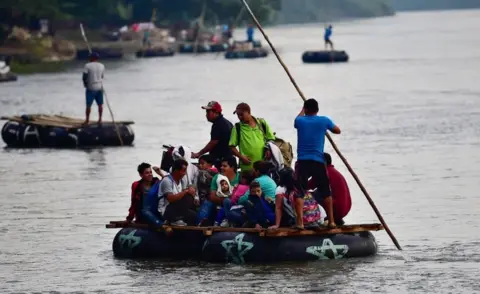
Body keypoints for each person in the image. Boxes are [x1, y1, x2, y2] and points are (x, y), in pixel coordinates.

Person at [294, 98, 341, 228]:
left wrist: (303, 110)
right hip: (318, 161)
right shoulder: (324, 121)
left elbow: (296, 120)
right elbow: (338, 130)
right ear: (317, 110)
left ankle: (300, 222)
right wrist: (324, 127)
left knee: (300, 191)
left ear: (306, 109)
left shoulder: (300, 121)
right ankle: (331, 221)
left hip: (303, 161)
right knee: (326, 190)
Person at [229, 103, 276, 171]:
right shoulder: (237, 128)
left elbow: (271, 138)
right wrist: (242, 157)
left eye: (241, 114)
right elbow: (231, 147)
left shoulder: (261, 123)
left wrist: (268, 149)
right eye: (238, 115)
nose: (239, 117)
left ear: (249, 112)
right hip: (247, 168)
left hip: (263, 166)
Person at [309, 153, 351, 225]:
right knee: (319, 191)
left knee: (307, 196)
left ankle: (319, 218)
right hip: (345, 209)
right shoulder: (333, 171)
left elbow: (307, 185)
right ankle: (335, 219)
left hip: (337, 209)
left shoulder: (324, 172)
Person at [198, 156, 240, 226]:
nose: (221, 168)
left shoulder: (240, 178)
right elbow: (212, 197)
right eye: (221, 166)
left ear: (232, 167)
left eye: (224, 166)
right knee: (207, 204)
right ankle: (199, 226)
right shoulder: (217, 177)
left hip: (235, 205)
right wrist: (226, 199)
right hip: (219, 203)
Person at [192, 101, 233, 170]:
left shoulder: (218, 124)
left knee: (202, 161)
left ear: (216, 112)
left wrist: (199, 153)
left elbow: (213, 142)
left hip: (220, 159)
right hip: (228, 157)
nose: (206, 115)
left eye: (208, 112)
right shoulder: (227, 123)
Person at [158, 159, 197, 226]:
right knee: (188, 196)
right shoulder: (167, 181)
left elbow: (188, 190)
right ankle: (174, 220)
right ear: (176, 171)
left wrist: (192, 191)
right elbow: (170, 199)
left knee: (193, 215)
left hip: (177, 209)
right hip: (166, 210)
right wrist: (186, 191)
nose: (185, 174)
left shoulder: (182, 181)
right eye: (183, 171)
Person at [82, 52, 105, 125]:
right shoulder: (102, 65)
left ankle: (87, 120)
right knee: (100, 104)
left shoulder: (87, 65)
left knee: (88, 105)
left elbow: (84, 77)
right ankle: (100, 119)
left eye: (90, 57)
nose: (89, 58)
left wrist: (85, 84)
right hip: (99, 87)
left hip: (91, 87)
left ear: (92, 58)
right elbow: (102, 76)